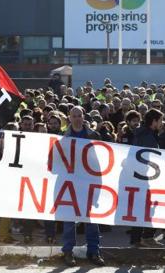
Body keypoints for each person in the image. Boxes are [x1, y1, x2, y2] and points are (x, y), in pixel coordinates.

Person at [61, 107, 105, 267]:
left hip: (89, 183)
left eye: (80, 115)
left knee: (92, 219)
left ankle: (93, 252)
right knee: (69, 219)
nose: (77, 118)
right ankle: (68, 252)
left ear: (83, 116)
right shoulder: (63, 138)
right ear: (69, 118)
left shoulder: (94, 136)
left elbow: (103, 160)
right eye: (74, 116)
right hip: (70, 183)